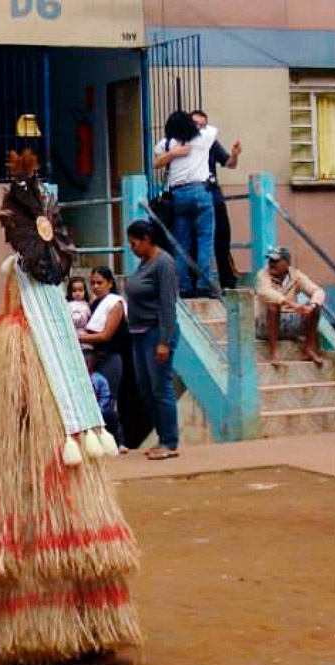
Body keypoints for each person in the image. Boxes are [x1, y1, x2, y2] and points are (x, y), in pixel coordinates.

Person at [0, 156, 140, 665]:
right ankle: (92, 631)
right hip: (75, 469)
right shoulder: (62, 334)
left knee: (41, 547)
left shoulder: (9, 339)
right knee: (78, 541)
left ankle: (46, 638)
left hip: (32, 474)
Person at [125, 220, 180, 460]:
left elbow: (168, 304)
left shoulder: (163, 263)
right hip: (138, 333)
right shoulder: (143, 264)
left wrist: (164, 341)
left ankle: (169, 441)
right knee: (146, 389)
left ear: (147, 239)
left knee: (161, 388)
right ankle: (161, 437)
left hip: (155, 333)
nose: (131, 248)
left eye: (134, 243)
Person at [153, 110, 220, 298]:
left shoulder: (166, 143)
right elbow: (212, 130)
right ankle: (203, 284)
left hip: (179, 194)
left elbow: (156, 162)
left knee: (182, 242)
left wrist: (173, 153)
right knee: (205, 240)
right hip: (201, 191)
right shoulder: (203, 137)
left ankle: (183, 285)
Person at [77, 267, 132, 450]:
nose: (95, 287)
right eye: (92, 283)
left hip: (110, 358)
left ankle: (119, 441)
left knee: (108, 401)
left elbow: (105, 335)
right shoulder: (93, 305)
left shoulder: (114, 303)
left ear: (110, 283)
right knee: (93, 400)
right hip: (94, 358)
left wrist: (76, 337)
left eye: (99, 283)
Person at [193, 110, 242, 290]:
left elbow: (229, 163)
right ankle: (196, 283)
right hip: (195, 197)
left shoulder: (210, 143)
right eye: (195, 124)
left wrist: (235, 154)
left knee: (222, 239)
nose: (199, 128)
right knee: (195, 242)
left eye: (203, 125)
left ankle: (227, 282)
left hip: (213, 196)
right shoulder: (184, 143)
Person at [255, 247, 326, 367]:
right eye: (270, 261)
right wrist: (291, 304)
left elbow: (318, 291)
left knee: (315, 308)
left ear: (287, 263)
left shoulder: (296, 276)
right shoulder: (263, 275)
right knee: (273, 305)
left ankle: (308, 349)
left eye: (275, 261)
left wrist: (312, 305)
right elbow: (265, 292)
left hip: (287, 322)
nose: (271, 264)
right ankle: (274, 352)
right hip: (264, 325)